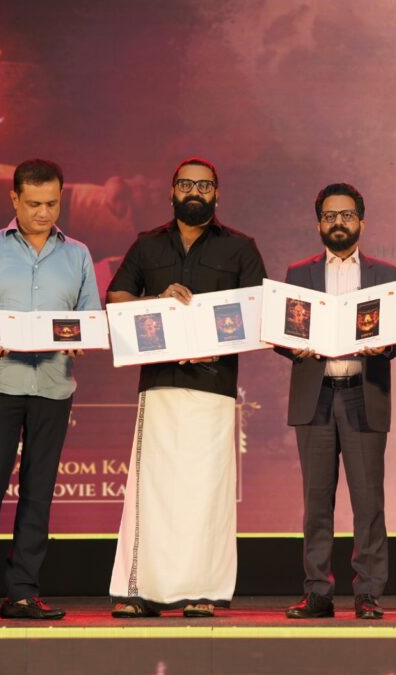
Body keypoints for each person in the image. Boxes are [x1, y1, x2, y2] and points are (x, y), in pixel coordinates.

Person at [107, 157, 266, 618]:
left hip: (214, 386)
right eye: (186, 184)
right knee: (151, 489)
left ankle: (204, 591)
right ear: (172, 191)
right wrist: (155, 302)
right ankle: (140, 589)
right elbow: (116, 297)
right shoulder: (147, 245)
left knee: (206, 491)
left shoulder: (240, 248)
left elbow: (259, 312)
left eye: (204, 185)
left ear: (217, 194)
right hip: (158, 382)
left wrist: (215, 345)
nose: (194, 191)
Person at [0, 159, 100, 622]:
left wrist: (80, 340)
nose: (43, 213)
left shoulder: (77, 254)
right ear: (14, 199)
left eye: (52, 203)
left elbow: (90, 318)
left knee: (39, 490)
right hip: (2, 381)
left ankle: (22, 593)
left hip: (54, 385)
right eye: (34, 203)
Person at [276, 183, 396, 620]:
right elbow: (283, 330)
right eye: (329, 216)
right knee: (316, 501)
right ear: (319, 224)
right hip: (317, 396)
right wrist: (293, 346)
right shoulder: (299, 273)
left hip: (362, 393)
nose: (338, 223)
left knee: (369, 502)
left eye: (347, 215)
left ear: (361, 221)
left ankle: (368, 592)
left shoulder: (386, 275)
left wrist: (385, 344)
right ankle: (317, 592)